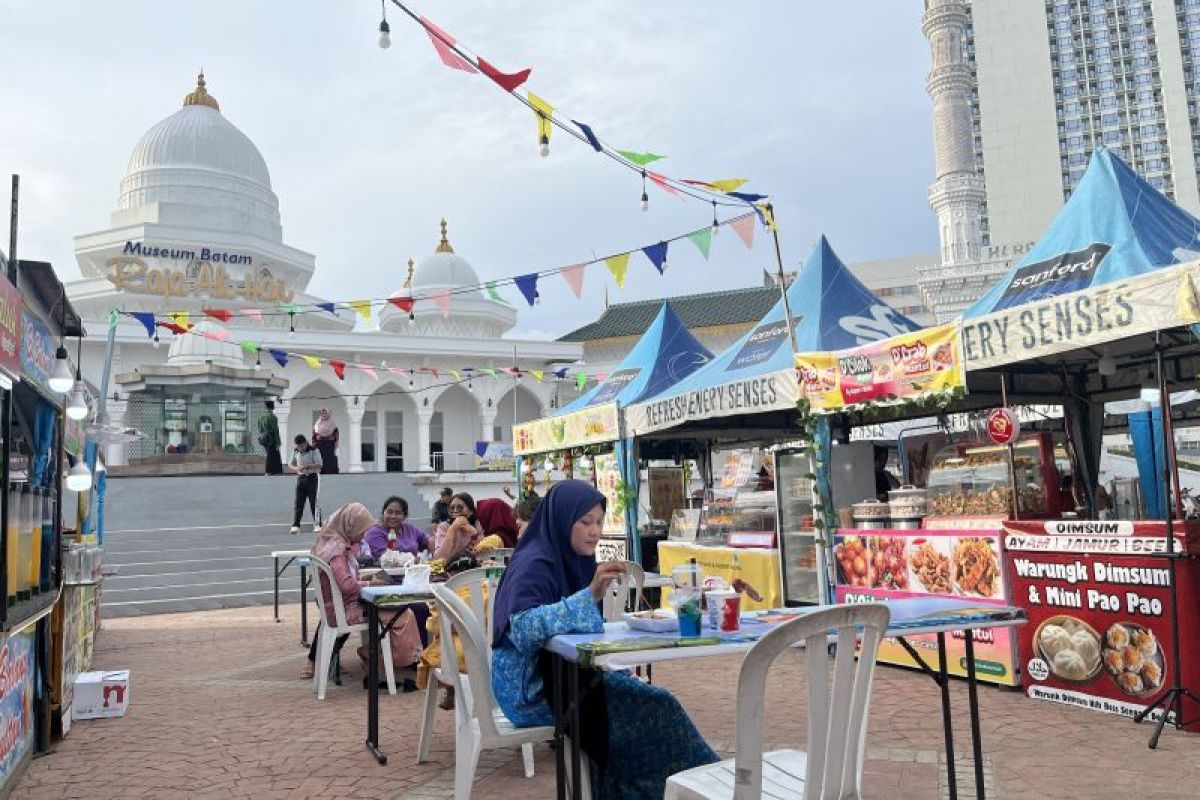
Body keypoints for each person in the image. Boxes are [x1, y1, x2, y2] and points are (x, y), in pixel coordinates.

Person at [490, 480, 718, 798]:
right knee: (658, 710)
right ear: (561, 519)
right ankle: (706, 790)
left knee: (655, 701)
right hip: (529, 689)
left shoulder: (572, 558)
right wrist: (590, 594)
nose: (594, 531)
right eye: (584, 522)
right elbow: (524, 629)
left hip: (564, 675)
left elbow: (581, 631)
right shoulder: (534, 564)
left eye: (599, 521)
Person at [303, 503, 422, 688]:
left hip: (338, 607)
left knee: (397, 611)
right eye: (361, 530)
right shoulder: (337, 552)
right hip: (345, 609)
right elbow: (347, 585)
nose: (363, 535)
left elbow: (345, 580)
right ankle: (392, 664)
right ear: (351, 526)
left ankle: (380, 663)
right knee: (405, 615)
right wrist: (370, 583)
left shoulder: (331, 544)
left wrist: (366, 579)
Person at [361, 496, 431, 560]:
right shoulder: (375, 533)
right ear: (383, 513)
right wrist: (414, 558)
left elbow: (428, 540)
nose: (393, 516)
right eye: (390, 512)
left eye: (398, 513)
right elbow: (387, 558)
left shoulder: (409, 528)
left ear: (404, 516)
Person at [289, 434, 323, 534]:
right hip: (301, 477)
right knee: (298, 503)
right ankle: (296, 525)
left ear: (305, 443)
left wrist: (308, 466)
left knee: (314, 502)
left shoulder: (314, 449)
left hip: (313, 477)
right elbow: (290, 464)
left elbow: (320, 463)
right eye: (299, 446)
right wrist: (296, 468)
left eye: (302, 446)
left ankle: (317, 524)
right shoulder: (295, 451)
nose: (301, 448)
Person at [433, 492, 482, 560]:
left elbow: (482, 552)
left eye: (459, 507)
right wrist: (453, 528)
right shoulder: (443, 527)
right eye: (452, 508)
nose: (455, 511)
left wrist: (472, 531)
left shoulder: (476, 524)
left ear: (471, 511)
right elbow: (439, 557)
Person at [311, 408, 340, 475]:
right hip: (320, 445)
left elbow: (336, 435)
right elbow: (314, 435)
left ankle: (331, 472)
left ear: (328, 414)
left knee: (330, 461)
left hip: (329, 445)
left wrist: (335, 444)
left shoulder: (332, 424)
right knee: (319, 459)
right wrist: (313, 444)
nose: (324, 415)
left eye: (325, 413)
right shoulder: (317, 424)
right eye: (322, 413)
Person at [258, 400, 283, 476]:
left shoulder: (261, 417)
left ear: (265, 407)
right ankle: (272, 471)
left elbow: (259, 429)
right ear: (273, 406)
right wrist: (278, 442)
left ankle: (271, 471)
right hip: (271, 439)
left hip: (263, 438)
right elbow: (276, 430)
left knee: (269, 454)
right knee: (274, 455)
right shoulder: (273, 417)